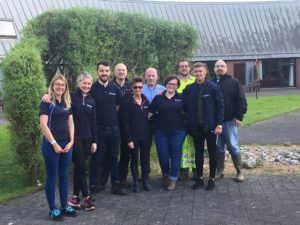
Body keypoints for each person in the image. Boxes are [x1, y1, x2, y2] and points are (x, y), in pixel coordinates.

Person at [39, 74, 76, 220]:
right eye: (57, 84)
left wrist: (72, 141)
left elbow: (71, 123)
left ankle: (64, 205)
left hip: (66, 144)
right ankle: (53, 209)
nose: (60, 87)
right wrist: (54, 143)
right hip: (51, 145)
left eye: (63, 84)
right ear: (52, 86)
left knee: (64, 176)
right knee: (52, 176)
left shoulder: (67, 102)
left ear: (66, 87)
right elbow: (43, 125)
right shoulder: (47, 102)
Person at [183, 62, 224, 191]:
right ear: (193, 73)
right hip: (196, 127)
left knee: (212, 153)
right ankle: (199, 178)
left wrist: (219, 124)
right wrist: (164, 94)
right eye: (196, 72)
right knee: (198, 153)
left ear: (205, 72)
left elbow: (220, 106)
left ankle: (211, 179)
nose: (198, 74)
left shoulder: (213, 87)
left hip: (211, 126)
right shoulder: (189, 89)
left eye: (201, 71)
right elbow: (181, 104)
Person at [89, 61, 127, 196]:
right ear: (97, 72)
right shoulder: (91, 89)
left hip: (114, 130)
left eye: (106, 71)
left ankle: (115, 186)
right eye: (101, 71)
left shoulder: (115, 89)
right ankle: (93, 186)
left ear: (109, 72)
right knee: (97, 158)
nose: (104, 73)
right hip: (98, 130)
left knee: (113, 158)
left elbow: (117, 107)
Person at [212, 60, 247, 182]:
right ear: (214, 69)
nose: (219, 68)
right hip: (215, 123)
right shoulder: (210, 83)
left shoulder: (234, 82)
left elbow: (241, 100)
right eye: (217, 66)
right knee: (218, 147)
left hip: (229, 121)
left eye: (222, 66)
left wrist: (239, 116)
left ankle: (239, 172)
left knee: (232, 146)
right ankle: (220, 171)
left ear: (226, 68)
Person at [150, 75, 186, 191]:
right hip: (161, 131)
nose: (171, 86)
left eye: (174, 84)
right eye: (169, 83)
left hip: (178, 131)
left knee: (175, 156)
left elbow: (189, 112)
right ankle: (165, 175)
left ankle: (173, 179)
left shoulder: (181, 97)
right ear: (165, 84)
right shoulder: (158, 97)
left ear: (177, 86)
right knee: (163, 156)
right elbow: (150, 112)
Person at [66, 73, 96, 211]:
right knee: (81, 167)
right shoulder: (71, 96)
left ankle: (74, 198)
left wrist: (94, 141)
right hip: (75, 138)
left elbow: (93, 122)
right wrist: (46, 96)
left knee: (79, 168)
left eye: (89, 83)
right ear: (78, 83)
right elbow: (56, 95)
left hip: (88, 139)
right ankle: (87, 198)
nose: (87, 86)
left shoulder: (91, 100)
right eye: (84, 83)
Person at [121, 77, 151, 192]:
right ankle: (135, 183)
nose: (138, 89)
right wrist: (129, 139)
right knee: (134, 160)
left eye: (140, 87)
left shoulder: (146, 101)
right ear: (131, 88)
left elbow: (152, 114)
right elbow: (125, 122)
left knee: (145, 159)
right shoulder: (127, 102)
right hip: (133, 137)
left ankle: (145, 181)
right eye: (135, 87)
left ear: (142, 88)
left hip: (145, 136)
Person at [111, 63, 134, 188]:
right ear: (115, 72)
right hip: (112, 123)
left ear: (126, 71)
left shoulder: (131, 86)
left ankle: (122, 179)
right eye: (119, 70)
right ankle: (104, 180)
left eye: (123, 70)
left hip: (126, 124)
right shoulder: (109, 86)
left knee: (126, 153)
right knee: (111, 153)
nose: (121, 72)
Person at [142, 67, 166, 176]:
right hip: (145, 122)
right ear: (145, 76)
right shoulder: (140, 89)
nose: (151, 78)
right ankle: (146, 172)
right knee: (145, 147)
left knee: (162, 148)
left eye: (153, 75)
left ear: (157, 76)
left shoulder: (163, 89)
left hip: (160, 122)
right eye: (149, 75)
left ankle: (165, 172)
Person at [176, 59, 197, 181]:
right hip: (179, 119)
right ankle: (183, 170)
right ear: (178, 68)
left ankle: (195, 169)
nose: (184, 68)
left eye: (186, 66)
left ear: (189, 68)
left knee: (195, 145)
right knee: (182, 145)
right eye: (181, 66)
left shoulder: (195, 81)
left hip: (194, 118)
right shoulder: (175, 82)